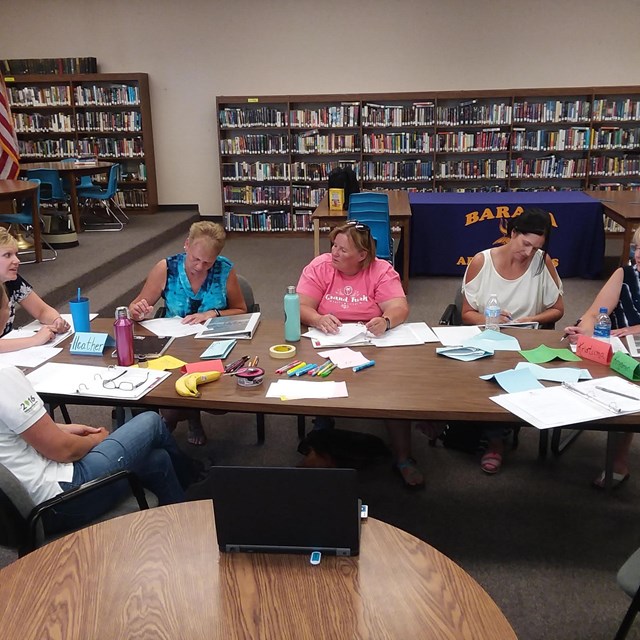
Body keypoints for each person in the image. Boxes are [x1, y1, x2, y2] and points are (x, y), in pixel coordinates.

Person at [0, 364, 192, 535]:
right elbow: (66, 450)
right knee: (151, 421)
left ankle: (183, 528)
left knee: (157, 460)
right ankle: (194, 483)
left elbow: (10, 432)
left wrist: (60, 428)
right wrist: (95, 439)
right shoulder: (4, 375)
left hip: (13, 516)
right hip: (58, 501)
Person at [296, 222, 419, 487]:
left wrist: (385, 321)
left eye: (342, 249)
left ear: (362, 255)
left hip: (371, 341)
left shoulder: (381, 270)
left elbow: (399, 306)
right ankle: (322, 430)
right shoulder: (321, 266)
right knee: (317, 379)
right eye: (333, 246)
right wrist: (317, 319)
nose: (334, 253)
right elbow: (301, 306)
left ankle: (403, 458)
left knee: (393, 391)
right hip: (326, 341)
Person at [461, 207, 564, 474]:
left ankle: (496, 440)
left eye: (536, 247)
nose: (529, 253)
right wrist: (488, 319)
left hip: (527, 341)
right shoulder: (481, 262)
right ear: (513, 233)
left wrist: (533, 317)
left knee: (511, 371)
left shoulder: (542, 262)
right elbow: (466, 313)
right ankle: (486, 433)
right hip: (487, 338)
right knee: (486, 370)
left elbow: (558, 309)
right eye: (525, 243)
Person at [129, 221, 247, 445]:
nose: (200, 267)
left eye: (207, 262)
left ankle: (188, 418)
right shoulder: (167, 268)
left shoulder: (224, 269)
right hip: (175, 345)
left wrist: (213, 313)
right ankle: (187, 419)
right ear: (186, 245)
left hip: (213, 346)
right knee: (172, 407)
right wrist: (137, 311)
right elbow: (136, 308)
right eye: (195, 259)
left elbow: (241, 309)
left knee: (221, 400)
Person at [563, 227, 640, 489]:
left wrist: (635, 329)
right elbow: (596, 312)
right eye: (637, 249)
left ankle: (618, 460)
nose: (639, 256)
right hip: (616, 350)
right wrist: (583, 330)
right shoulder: (625, 274)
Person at [0, 228, 70, 352]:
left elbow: (41, 310)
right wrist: (34, 340)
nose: (17, 260)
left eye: (16, 254)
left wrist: (56, 320)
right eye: (7, 255)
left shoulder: (11, 280)